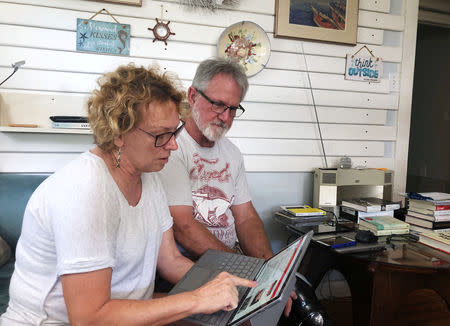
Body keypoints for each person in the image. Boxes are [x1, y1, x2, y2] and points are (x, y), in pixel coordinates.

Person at [0, 64, 256, 325]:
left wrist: (230, 285)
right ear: (118, 133)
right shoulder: (84, 189)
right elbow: (89, 318)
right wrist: (198, 299)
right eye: (160, 135)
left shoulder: (150, 177)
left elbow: (171, 260)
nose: (173, 144)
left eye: (175, 130)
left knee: (235, 317)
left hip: (129, 313)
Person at [158, 58, 331, 326]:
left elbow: (246, 218)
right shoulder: (170, 147)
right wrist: (249, 272)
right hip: (191, 265)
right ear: (192, 96)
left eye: (233, 108)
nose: (225, 117)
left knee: (302, 307)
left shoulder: (232, 153)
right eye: (217, 104)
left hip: (230, 258)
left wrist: (271, 271)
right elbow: (184, 227)